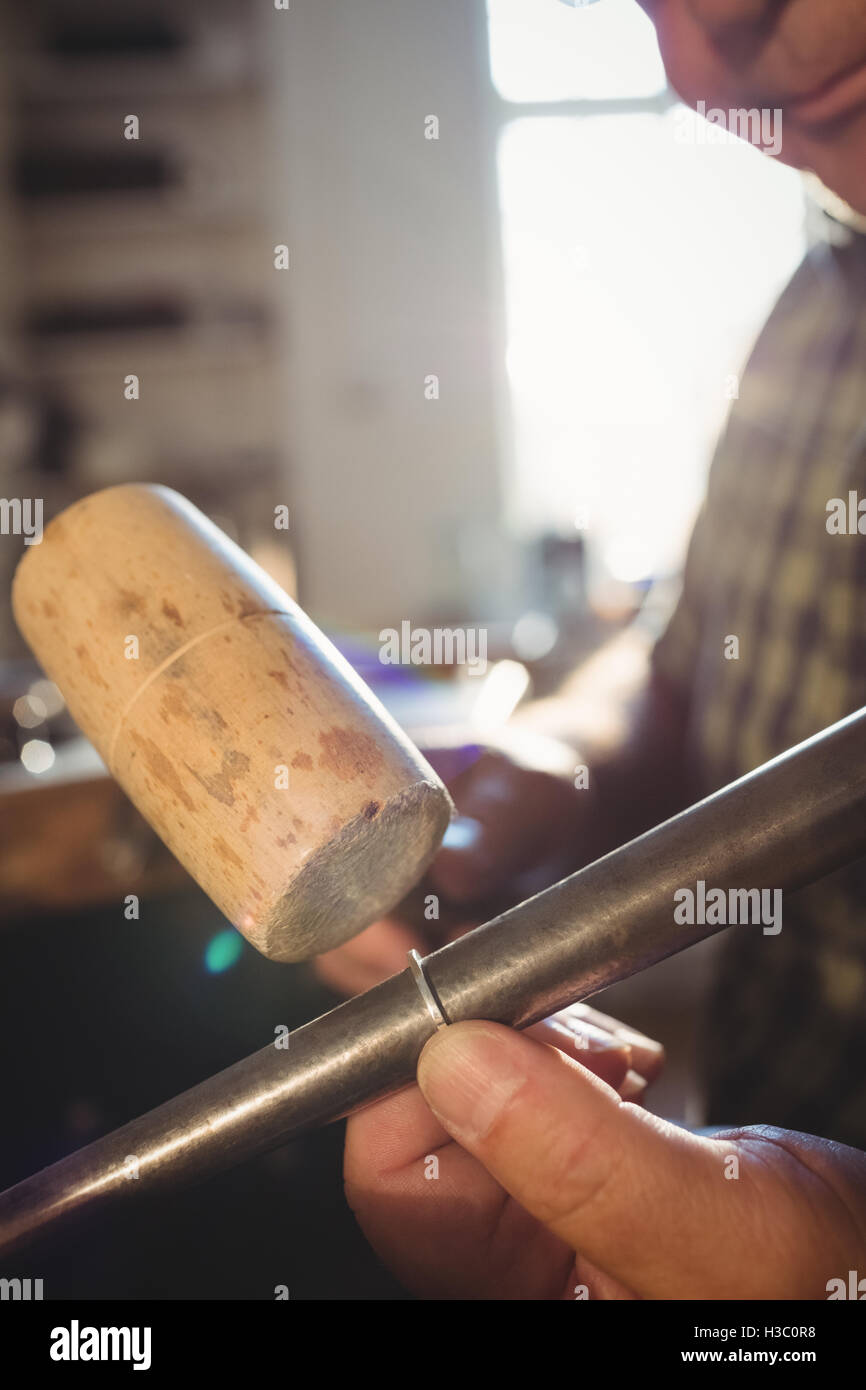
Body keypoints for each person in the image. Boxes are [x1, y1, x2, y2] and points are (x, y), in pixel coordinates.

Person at [329, 0, 866, 1297]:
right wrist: (548, 765)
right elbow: (690, 662)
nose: (699, 50)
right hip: (764, 1089)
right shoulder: (818, 305)